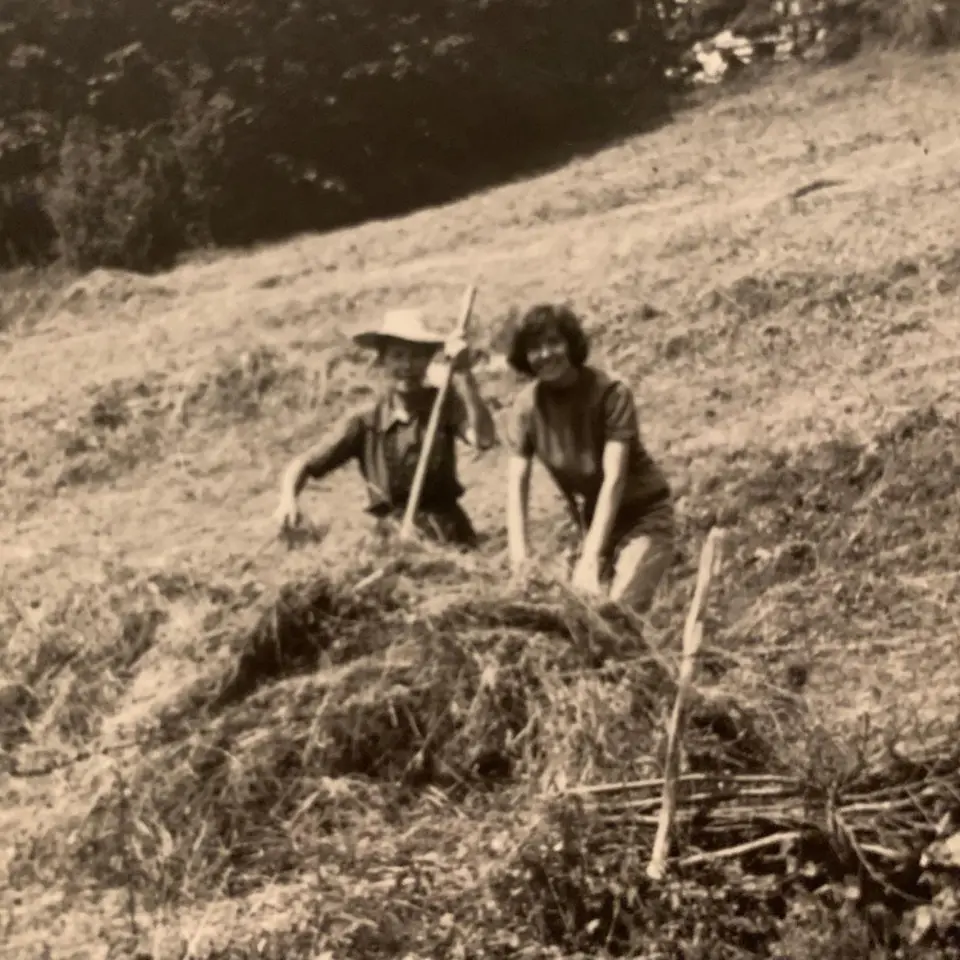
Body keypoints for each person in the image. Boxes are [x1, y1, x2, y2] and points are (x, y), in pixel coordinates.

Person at [275, 307, 497, 548]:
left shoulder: (444, 405)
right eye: (398, 356)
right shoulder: (365, 421)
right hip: (391, 541)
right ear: (382, 360)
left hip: (449, 537)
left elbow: (483, 439)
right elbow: (303, 464)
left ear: (429, 360)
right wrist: (288, 500)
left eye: (416, 356)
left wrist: (464, 376)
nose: (407, 366)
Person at [503, 303, 675, 611]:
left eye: (553, 342)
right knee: (576, 613)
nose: (545, 354)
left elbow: (614, 478)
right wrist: (519, 557)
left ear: (570, 343)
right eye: (534, 348)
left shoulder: (611, 394)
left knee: (618, 612)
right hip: (591, 523)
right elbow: (517, 483)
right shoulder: (526, 407)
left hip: (642, 517)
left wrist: (590, 557)